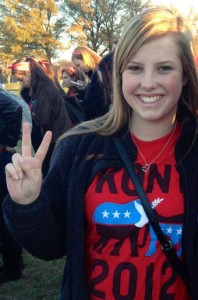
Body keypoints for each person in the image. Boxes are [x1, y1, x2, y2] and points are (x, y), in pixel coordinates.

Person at [2, 7, 198, 299]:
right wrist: (29, 204)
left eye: (164, 68)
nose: (148, 82)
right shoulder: (80, 147)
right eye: (135, 68)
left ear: (184, 75)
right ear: (118, 75)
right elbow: (52, 246)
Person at [9, 57, 72, 177]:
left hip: (55, 137)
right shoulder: (36, 88)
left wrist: (32, 114)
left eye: (21, 80)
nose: (21, 83)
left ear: (28, 73)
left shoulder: (44, 88)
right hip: (50, 136)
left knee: (52, 174)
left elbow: (42, 118)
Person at [0, 90, 23, 284]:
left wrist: (8, 141)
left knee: (3, 214)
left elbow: (14, 109)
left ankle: (13, 267)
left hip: (1, 158)